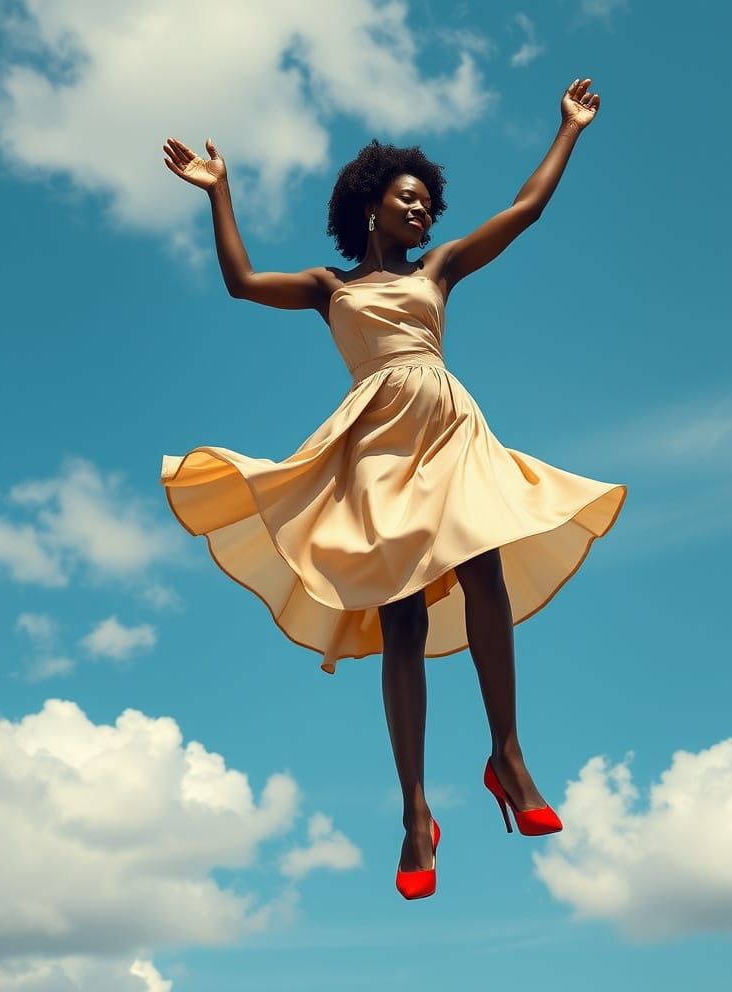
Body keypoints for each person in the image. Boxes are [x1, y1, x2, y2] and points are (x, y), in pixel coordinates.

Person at [160, 77, 627, 900]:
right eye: (408, 201)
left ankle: (507, 756)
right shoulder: (329, 288)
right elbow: (239, 281)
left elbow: (523, 212)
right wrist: (220, 192)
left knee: (485, 570)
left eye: (427, 205)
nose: (422, 214)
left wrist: (568, 131)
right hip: (376, 446)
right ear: (371, 205)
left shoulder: (439, 271)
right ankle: (415, 811)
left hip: (449, 432)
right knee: (400, 619)